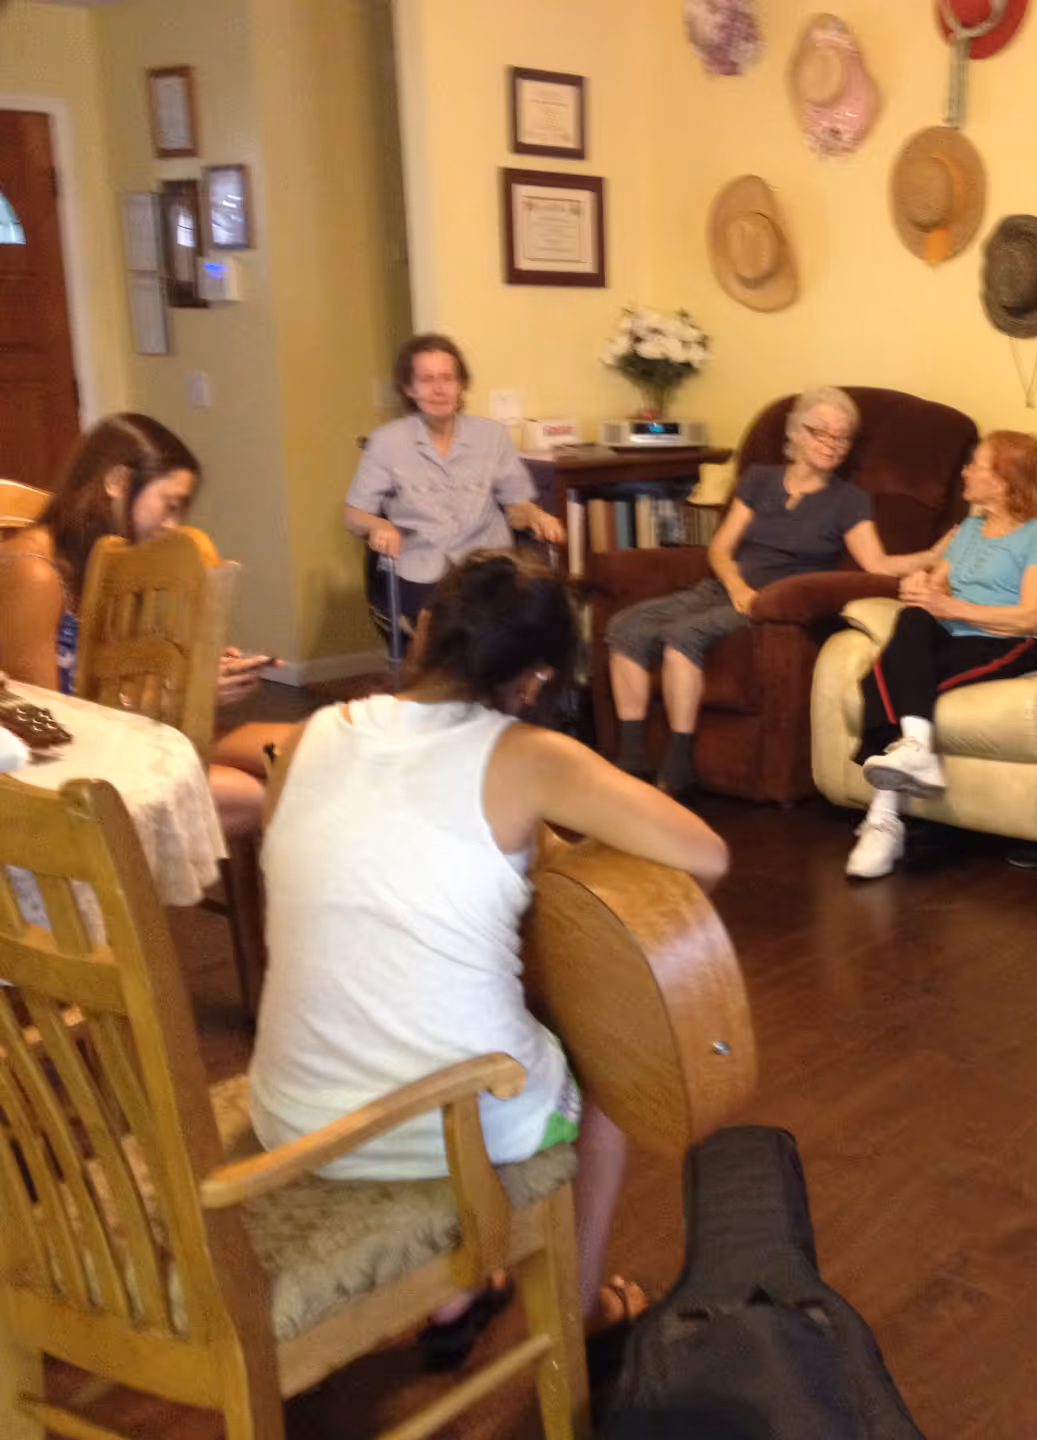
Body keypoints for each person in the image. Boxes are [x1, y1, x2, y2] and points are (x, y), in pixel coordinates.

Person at [249, 549, 728, 1361]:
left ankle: (459, 1290)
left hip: (292, 1115)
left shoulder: (310, 734)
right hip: (452, 1128)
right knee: (613, 1058)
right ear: (536, 678)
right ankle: (576, 1317)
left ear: (426, 628)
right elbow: (704, 855)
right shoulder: (529, 758)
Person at [603, 386, 921, 796]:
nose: (832, 444)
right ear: (795, 433)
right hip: (725, 587)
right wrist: (735, 586)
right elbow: (720, 547)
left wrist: (929, 555)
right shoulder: (760, 479)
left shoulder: (849, 500)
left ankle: (678, 762)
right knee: (625, 626)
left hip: (774, 602)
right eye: (821, 432)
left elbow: (877, 564)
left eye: (842, 437)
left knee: (683, 636)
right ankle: (632, 755)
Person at [0, 414, 281, 835]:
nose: (173, 525)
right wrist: (184, 691)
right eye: (169, 505)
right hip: (61, 766)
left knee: (296, 752)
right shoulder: (34, 571)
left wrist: (194, 675)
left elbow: (122, 675)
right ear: (116, 481)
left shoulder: (106, 558)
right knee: (260, 793)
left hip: (132, 732)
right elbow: (44, 720)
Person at [845, 430, 1037, 880]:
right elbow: (935, 586)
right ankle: (916, 749)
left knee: (881, 680)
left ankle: (883, 820)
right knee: (910, 624)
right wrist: (920, 589)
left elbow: (1030, 615)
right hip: (948, 635)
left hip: (1006, 643)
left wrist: (950, 607)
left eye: (975, 465)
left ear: (1003, 480)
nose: (965, 472)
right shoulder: (967, 529)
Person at [346, 333, 567, 632]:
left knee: (517, 620)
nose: (439, 389)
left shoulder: (492, 436)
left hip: (488, 565)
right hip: (420, 567)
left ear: (461, 384)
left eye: (447, 378)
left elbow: (516, 508)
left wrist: (535, 514)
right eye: (426, 379)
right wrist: (379, 525)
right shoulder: (386, 442)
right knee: (440, 625)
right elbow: (354, 516)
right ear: (409, 388)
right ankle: (431, 676)